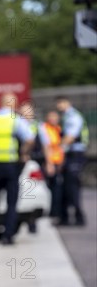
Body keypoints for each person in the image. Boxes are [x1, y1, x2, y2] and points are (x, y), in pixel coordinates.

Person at [0, 93, 34, 246]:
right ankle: (7, 236)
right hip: (11, 165)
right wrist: (23, 152)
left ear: (0, 103)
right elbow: (29, 139)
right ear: (14, 104)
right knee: (11, 203)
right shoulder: (16, 120)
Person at [55, 96, 89, 226]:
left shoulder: (73, 116)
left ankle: (79, 217)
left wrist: (58, 150)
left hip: (75, 154)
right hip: (70, 154)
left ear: (68, 103)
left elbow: (70, 137)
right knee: (65, 187)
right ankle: (65, 217)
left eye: (61, 103)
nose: (59, 106)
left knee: (72, 187)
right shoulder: (66, 116)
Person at [18, 101, 43, 233]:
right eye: (24, 111)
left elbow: (44, 144)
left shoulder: (38, 126)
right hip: (20, 162)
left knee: (33, 192)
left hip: (35, 161)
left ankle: (32, 220)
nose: (26, 114)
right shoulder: (17, 124)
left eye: (29, 112)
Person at [38, 110, 65, 219]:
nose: (53, 119)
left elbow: (60, 147)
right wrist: (49, 163)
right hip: (49, 162)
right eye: (51, 116)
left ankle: (55, 211)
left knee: (57, 188)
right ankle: (48, 211)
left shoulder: (58, 128)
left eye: (55, 117)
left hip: (58, 161)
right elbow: (46, 146)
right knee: (48, 187)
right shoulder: (44, 128)